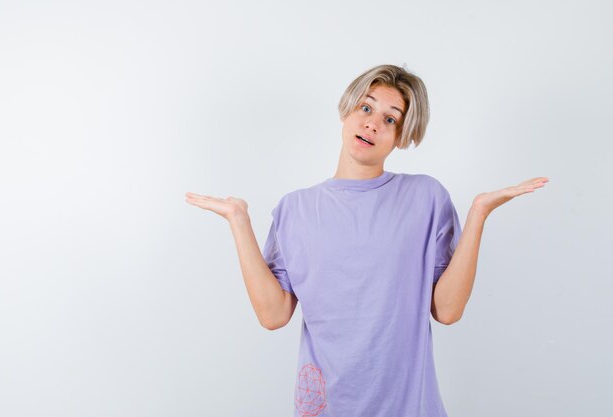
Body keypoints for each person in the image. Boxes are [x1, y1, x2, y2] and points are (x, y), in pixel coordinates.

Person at [185, 64, 548, 417]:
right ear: (346, 112)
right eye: (366, 107)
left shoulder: (425, 197)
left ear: (402, 136)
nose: (373, 123)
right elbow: (273, 314)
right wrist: (238, 220)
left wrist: (478, 214)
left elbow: (448, 310)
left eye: (390, 119)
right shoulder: (295, 209)